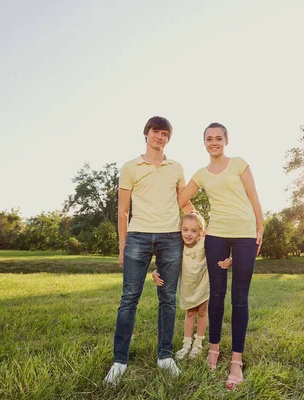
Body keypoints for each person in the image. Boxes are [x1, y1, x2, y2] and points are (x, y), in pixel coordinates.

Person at [104, 116, 193, 387]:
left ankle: (165, 356)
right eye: (156, 131)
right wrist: (123, 245)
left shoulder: (176, 167)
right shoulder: (130, 167)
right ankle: (119, 361)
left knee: (167, 298)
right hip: (138, 236)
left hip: (170, 237)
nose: (160, 137)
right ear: (147, 134)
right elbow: (123, 210)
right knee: (129, 298)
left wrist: (200, 226)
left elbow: (183, 203)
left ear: (168, 138)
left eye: (165, 133)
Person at [178, 122, 263, 390]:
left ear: (226, 140)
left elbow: (253, 197)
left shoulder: (239, 164)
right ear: (204, 142)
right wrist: (198, 221)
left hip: (245, 235)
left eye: (218, 138)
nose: (213, 142)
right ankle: (213, 348)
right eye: (208, 138)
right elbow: (182, 199)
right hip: (216, 237)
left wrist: (260, 229)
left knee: (239, 297)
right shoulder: (201, 174)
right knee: (216, 294)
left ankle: (236, 360)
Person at [151, 212, 232, 360]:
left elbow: (220, 249)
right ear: (180, 229)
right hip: (188, 286)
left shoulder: (204, 242)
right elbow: (168, 262)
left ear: (200, 232)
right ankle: (186, 344)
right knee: (189, 314)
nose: (189, 234)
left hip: (203, 284)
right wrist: (156, 272)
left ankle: (198, 344)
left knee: (202, 313)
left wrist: (229, 259)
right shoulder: (178, 246)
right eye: (185, 230)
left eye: (194, 231)